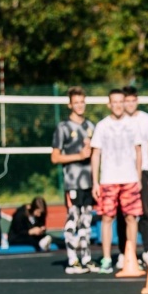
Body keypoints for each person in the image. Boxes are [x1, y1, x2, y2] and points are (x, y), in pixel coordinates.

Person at [91, 89, 143, 273]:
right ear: (109, 104)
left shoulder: (133, 124)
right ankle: (106, 258)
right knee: (107, 218)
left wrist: (138, 177)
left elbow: (138, 151)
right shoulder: (102, 126)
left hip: (129, 179)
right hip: (108, 179)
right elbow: (95, 154)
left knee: (131, 218)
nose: (119, 105)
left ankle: (131, 257)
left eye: (121, 101)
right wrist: (95, 182)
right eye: (115, 102)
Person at [51, 86, 97, 274]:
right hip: (72, 183)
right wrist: (79, 156)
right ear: (70, 105)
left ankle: (86, 258)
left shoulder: (91, 126)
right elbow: (55, 157)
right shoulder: (63, 127)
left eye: (82, 102)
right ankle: (72, 260)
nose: (79, 105)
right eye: (76, 102)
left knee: (87, 222)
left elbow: (96, 155)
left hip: (89, 183)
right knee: (73, 220)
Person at [115, 86, 148, 267]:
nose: (130, 104)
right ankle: (124, 252)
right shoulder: (118, 121)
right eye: (126, 101)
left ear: (137, 101)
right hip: (122, 173)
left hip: (143, 170)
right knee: (123, 215)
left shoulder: (147, 119)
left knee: (144, 212)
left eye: (133, 100)